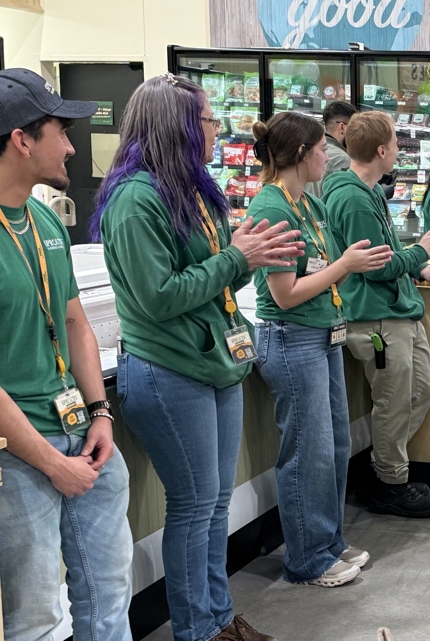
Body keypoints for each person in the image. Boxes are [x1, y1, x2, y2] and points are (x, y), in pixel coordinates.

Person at [97, 73, 303, 641]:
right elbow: (159, 297)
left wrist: (249, 257)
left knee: (213, 505)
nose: (217, 129)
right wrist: (237, 258)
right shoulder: (136, 198)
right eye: (209, 120)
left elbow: (213, 277)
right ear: (179, 126)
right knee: (193, 507)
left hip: (214, 363)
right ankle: (199, 629)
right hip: (169, 371)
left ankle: (218, 618)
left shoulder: (189, 189)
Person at [0, 68, 132, 641]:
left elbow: (75, 323)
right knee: (34, 619)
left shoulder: (45, 219)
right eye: (61, 131)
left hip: (82, 433)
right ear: (22, 140)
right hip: (17, 456)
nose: (73, 147)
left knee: (109, 596)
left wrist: (99, 413)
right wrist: (51, 463)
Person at [248, 112, 393, 588]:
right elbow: (285, 294)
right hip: (292, 339)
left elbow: (321, 267)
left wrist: (348, 265)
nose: (326, 158)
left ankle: (327, 540)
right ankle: (306, 558)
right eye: (319, 151)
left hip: (323, 335)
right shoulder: (272, 208)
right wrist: (345, 265)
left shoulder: (307, 203)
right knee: (307, 453)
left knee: (333, 447)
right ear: (300, 154)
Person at [324, 112, 430, 518]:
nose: (399, 149)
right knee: (394, 401)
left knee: (421, 392)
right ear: (382, 150)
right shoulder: (352, 198)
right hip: (376, 317)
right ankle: (390, 483)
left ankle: (384, 470)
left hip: (397, 310)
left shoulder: (368, 191)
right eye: (397, 143)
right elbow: (375, 266)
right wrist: (421, 252)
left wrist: (420, 267)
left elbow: (388, 255)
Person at [305, 100, 356, 198]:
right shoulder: (342, 159)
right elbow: (344, 199)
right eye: (355, 127)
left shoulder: (312, 151)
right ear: (342, 127)